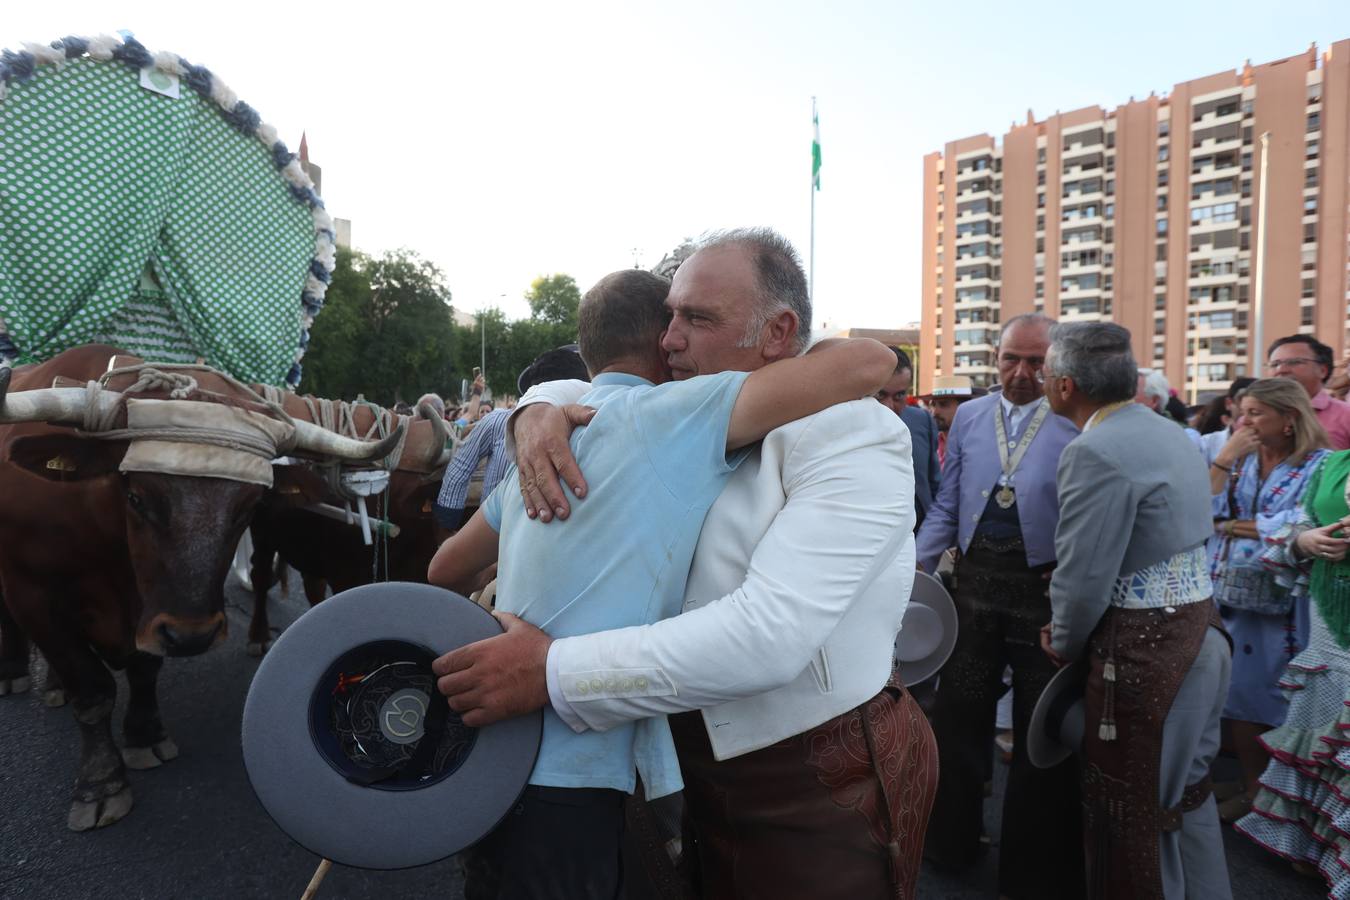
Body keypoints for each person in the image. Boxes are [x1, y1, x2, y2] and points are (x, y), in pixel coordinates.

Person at [433, 227, 937, 899]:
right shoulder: (668, 418)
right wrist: (539, 406)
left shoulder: (854, 435)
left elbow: (769, 635)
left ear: (779, 332)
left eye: (696, 319)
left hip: (814, 783)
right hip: (675, 769)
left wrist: (548, 672)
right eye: (668, 316)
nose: (667, 340)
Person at [1039, 321, 1233, 900]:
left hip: (1150, 654)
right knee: (1185, 795)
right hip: (1202, 631)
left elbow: (1083, 573)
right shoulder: (1168, 428)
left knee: (1132, 812)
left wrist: (1066, 640)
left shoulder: (1095, 450)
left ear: (1065, 385)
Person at [914, 312, 1084, 899]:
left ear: (1058, 365)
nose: (1021, 373)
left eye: (1037, 362)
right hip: (974, 591)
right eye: (1011, 358)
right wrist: (911, 566)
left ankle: (1034, 870)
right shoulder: (970, 415)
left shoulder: (1076, 422)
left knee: (1042, 737)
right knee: (958, 722)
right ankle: (952, 844)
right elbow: (948, 501)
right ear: (996, 357)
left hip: (1044, 596)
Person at [1206, 378, 1330, 821]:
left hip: (1287, 600)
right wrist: (1224, 458)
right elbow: (1199, 506)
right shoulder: (1235, 460)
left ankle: (1284, 800)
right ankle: (1252, 787)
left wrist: (1234, 524)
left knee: (1280, 692)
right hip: (1228, 592)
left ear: (1290, 417)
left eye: (1256, 412)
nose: (1245, 422)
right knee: (1238, 691)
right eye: (1241, 412)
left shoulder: (1323, 466)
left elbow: (1302, 523)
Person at [1234, 448, 1350, 895]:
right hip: (1328, 621)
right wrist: (1306, 541)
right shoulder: (1332, 464)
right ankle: (1319, 850)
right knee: (1323, 729)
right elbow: (1299, 523)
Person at [433, 349, 589, 532]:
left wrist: (448, 530)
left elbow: (459, 469)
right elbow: (460, 469)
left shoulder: (594, 427)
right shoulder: (497, 422)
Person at [875, 346, 940, 529]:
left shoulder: (922, 420)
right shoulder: (844, 427)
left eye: (899, 396)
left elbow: (934, 483)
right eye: (880, 395)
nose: (889, 406)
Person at [1268, 334, 1350, 450]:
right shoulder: (1253, 417)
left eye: (1294, 362)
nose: (1281, 370)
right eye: (1274, 364)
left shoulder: (1346, 416)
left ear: (1322, 370)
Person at [918, 374, 986, 468]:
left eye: (943, 404)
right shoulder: (929, 441)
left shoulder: (979, 444)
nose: (935, 411)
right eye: (933, 404)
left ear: (965, 406)